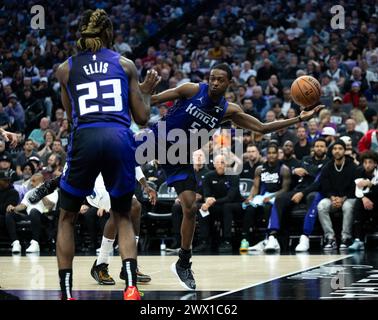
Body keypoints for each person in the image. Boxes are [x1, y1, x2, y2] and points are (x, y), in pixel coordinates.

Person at [29, 62, 324, 291]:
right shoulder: (191, 90)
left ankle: (183, 262)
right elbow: (150, 100)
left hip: (180, 156)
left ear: (229, 83)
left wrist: (300, 119)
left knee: (190, 206)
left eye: (220, 79)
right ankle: (56, 183)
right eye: (212, 77)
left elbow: (260, 128)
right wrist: (142, 89)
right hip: (155, 140)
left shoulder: (228, 109)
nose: (214, 81)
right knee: (98, 158)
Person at [53, 9, 159, 300]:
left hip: (86, 138)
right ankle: (131, 288)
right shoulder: (125, 65)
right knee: (123, 215)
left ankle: (67, 293)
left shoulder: (65, 69)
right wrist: (146, 92)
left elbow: (72, 114)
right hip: (118, 138)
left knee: (66, 218)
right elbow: (142, 117)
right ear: (109, 34)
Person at [317, 140, 357, 250]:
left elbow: (354, 187)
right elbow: (325, 186)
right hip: (333, 198)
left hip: (349, 197)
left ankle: (346, 238)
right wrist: (333, 198)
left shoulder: (352, 166)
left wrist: (343, 199)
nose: (337, 151)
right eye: (335, 149)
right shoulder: (327, 167)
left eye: (340, 149)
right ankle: (330, 238)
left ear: (344, 151)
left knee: (347, 206)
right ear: (332, 151)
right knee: (321, 206)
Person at [6, 173, 58, 253]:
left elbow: (50, 207)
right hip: (30, 216)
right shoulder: (29, 193)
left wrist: (41, 193)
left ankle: (35, 243)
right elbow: (23, 206)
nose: (31, 183)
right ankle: (16, 243)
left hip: (44, 216)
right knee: (10, 213)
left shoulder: (52, 191)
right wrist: (14, 208)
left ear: (41, 182)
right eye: (31, 181)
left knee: (34, 211)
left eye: (33, 181)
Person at [349, 151, 378, 251]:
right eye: (365, 163)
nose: (367, 165)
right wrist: (363, 198)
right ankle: (358, 240)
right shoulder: (359, 171)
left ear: (375, 163)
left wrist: (371, 185)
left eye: (370, 162)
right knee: (358, 204)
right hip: (365, 197)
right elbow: (357, 190)